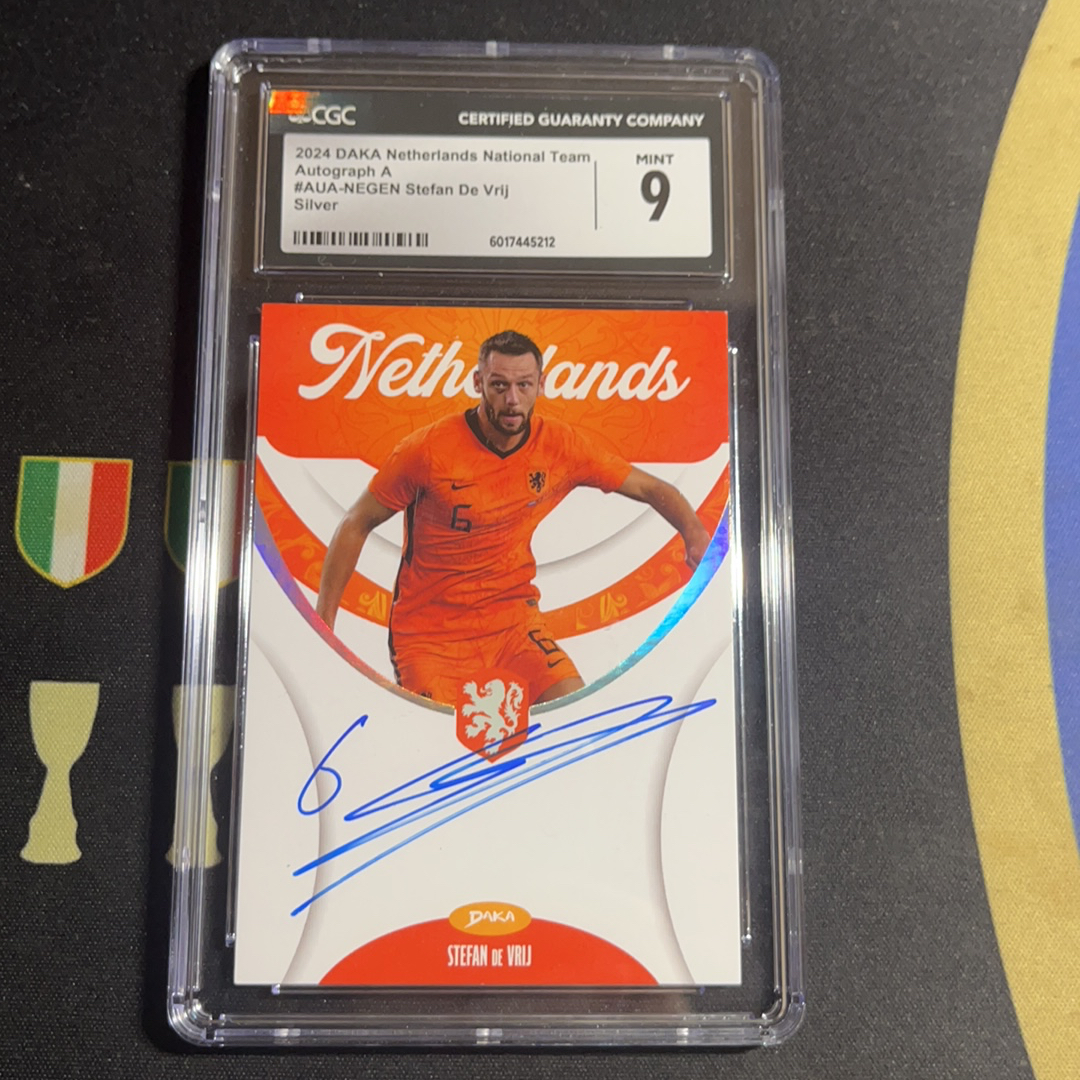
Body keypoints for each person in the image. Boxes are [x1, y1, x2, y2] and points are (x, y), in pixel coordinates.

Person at [315, 329, 711, 706]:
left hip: (514, 629)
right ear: (478, 383)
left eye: (524, 385)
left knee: (575, 717)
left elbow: (650, 488)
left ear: (541, 385)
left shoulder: (560, 446)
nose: (512, 400)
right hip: (431, 638)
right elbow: (356, 523)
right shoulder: (426, 450)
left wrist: (694, 534)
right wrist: (323, 626)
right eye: (499, 385)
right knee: (445, 745)